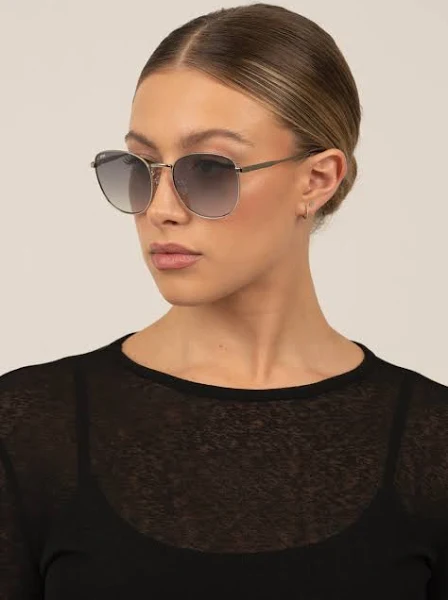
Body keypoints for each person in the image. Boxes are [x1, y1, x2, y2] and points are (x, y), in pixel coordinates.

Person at [1, 3, 447, 598]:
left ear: (317, 179)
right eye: (140, 167)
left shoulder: (432, 441)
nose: (160, 208)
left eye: (209, 169)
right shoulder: (28, 427)